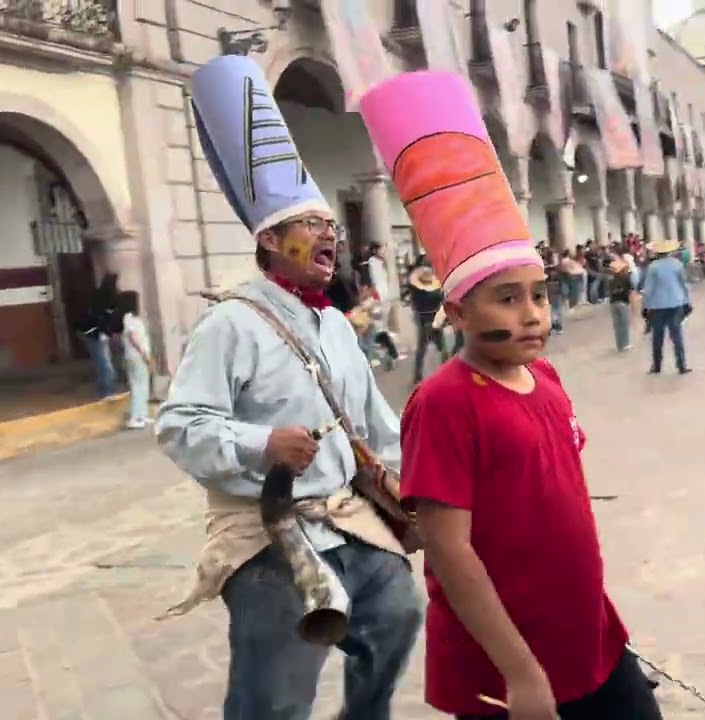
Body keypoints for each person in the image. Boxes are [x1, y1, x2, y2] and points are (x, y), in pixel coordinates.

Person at [360, 70, 662, 720]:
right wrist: (520, 671)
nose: (530, 314)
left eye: (539, 294)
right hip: (507, 664)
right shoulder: (443, 402)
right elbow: (449, 547)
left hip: (587, 636)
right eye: (507, 298)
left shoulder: (546, 378)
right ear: (459, 313)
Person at [156, 56, 422, 720]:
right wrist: (260, 444)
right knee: (273, 701)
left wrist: (420, 478)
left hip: (351, 523)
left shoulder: (334, 324)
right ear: (270, 239)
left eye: (332, 225)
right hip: (269, 536)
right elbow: (178, 424)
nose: (330, 235)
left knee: (398, 615)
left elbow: (373, 424)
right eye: (313, 225)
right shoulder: (228, 324)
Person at [640, 238, 692, 375]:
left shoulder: (653, 267)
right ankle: (681, 365)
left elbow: (648, 289)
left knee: (657, 336)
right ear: (670, 252)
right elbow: (684, 285)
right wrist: (687, 301)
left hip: (657, 306)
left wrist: (645, 307)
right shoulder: (678, 265)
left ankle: (656, 366)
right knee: (677, 336)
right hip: (676, 303)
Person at [408, 257, 448, 383]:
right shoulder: (432, 289)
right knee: (441, 348)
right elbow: (442, 300)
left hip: (424, 319)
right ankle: (447, 373)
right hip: (432, 320)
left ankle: (417, 375)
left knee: (423, 348)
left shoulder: (414, 289)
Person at [118, 289, 153, 429]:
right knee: (138, 386)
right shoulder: (129, 318)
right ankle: (135, 417)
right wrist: (144, 353)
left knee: (143, 385)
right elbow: (133, 338)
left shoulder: (132, 318)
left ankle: (142, 415)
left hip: (137, 355)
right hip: (136, 356)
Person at [81, 272, 121, 397]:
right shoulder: (107, 298)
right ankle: (107, 392)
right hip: (96, 335)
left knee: (104, 365)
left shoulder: (100, 296)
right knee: (105, 366)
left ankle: (106, 391)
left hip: (97, 334)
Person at [607, 256, 636, 352]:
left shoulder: (611, 280)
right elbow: (631, 293)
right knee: (624, 324)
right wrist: (633, 306)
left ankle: (619, 345)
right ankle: (626, 343)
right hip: (623, 303)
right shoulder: (626, 278)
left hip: (613, 303)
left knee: (617, 325)